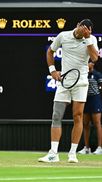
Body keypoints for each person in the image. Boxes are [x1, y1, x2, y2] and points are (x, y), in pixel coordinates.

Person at [38, 19, 99, 163]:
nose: (81, 32)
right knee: (56, 115)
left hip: (81, 83)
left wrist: (87, 38)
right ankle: (53, 153)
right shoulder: (63, 36)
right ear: (77, 25)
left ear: (88, 31)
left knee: (78, 117)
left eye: (85, 31)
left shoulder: (91, 39)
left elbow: (95, 57)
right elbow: (50, 51)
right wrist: (52, 71)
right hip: (63, 83)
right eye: (80, 29)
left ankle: (72, 154)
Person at [78, 62, 102, 154]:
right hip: (85, 100)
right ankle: (87, 148)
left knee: (97, 123)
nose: (88, 64)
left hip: (95, 100)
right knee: (85, 124)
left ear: (92, 64)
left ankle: (100, 148)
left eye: (89, 63)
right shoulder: (83, 75)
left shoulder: (97, 75)